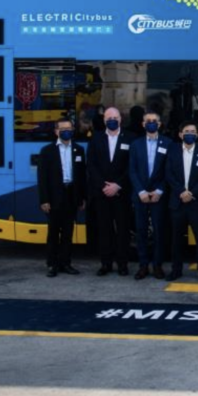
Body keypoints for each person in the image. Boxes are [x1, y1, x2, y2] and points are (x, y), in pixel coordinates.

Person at [87, 107, 134, 277]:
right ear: (104, 120)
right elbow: (91, 165)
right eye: (109, 118)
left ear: (121, 119)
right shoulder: (96, 138)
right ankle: (105, 264)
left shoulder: (130, 138)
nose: (112, 120)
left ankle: (123, 264)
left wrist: (118, 185)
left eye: (115, 117)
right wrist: (103, 185)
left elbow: (132, 166)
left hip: (122, 193)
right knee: (104, 230)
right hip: (102, 193)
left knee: (123, 230)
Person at [37, 118, 86, 277]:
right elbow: (42, 178)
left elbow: (82, 176)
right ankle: (52, 264)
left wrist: (81, 197)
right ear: (56, 131)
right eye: (63, 129)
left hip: (71, 195)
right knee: (53, 233)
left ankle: (66, 263)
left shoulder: (79, 150)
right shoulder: (47, 151)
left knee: (68, 233)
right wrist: (44, 200)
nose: (67, 131)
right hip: (54, 197)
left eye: (69, 128)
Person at [129, 112, 173, 280]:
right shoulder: (136, 144)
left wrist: (159, 191)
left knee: (159, 232)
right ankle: (143, 266)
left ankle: (157, 266)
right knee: (140, 232)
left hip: (158, 195)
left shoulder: (168, 144)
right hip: (140, 195)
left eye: (155, 121)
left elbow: (169, 170)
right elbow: (132, 170)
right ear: (143, 124)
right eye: (148, 121)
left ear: (160, 124)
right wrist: (140, 191)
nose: (151, 123)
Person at [165, 120, 198, 283]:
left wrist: (191, 193)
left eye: (193, 131)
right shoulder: (173, 151)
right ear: (180, 134)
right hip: (177, 202)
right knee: (176, 239)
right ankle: (176, 270)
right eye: (186, 131)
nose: (189, 134)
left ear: (197, 135)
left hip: (196, 202)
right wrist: (181, 192)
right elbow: (168, 174)